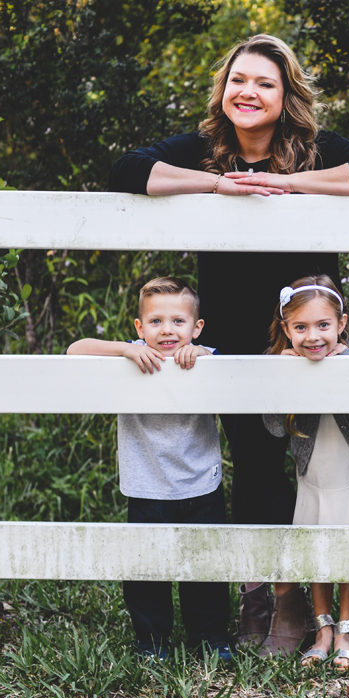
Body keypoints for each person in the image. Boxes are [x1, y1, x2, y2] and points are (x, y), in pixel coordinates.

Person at [107, 34, 349, 647]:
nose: (250, 92)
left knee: (317, 465)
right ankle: (266, 598)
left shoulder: (315, 148)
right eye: (239, 80)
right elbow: (126, 169)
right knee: (258, 469)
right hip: (238, 338)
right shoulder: (205, 150)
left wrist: (292, 184)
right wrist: (217, 184)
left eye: (266, 83)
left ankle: (308, 602)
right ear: (224, 89)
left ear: (286, 94)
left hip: (307, 335)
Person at [66, 277, 232, 661]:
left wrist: (206, 356)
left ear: (196, 327)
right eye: (155, 321)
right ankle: (152, 641)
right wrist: (126, 350)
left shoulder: (206, 356)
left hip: (200, 482)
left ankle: (209, 637)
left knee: (205, 565)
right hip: (146, 483)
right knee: (145, 568)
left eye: (178, 321)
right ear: (140, 327)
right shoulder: (133, 355)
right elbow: (76, 350)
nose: (167, 330)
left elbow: (233, 374)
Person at [261, 275, 349, 671]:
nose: (312, 336)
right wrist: (283, 376)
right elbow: (274, 427)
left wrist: (343, 365)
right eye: (300, 327)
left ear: (340, 323)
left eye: (323, 325)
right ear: (287, 329)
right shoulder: (278, 360)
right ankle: (322, 631)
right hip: (314, 471)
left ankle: (346, 632)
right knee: (316, 547)